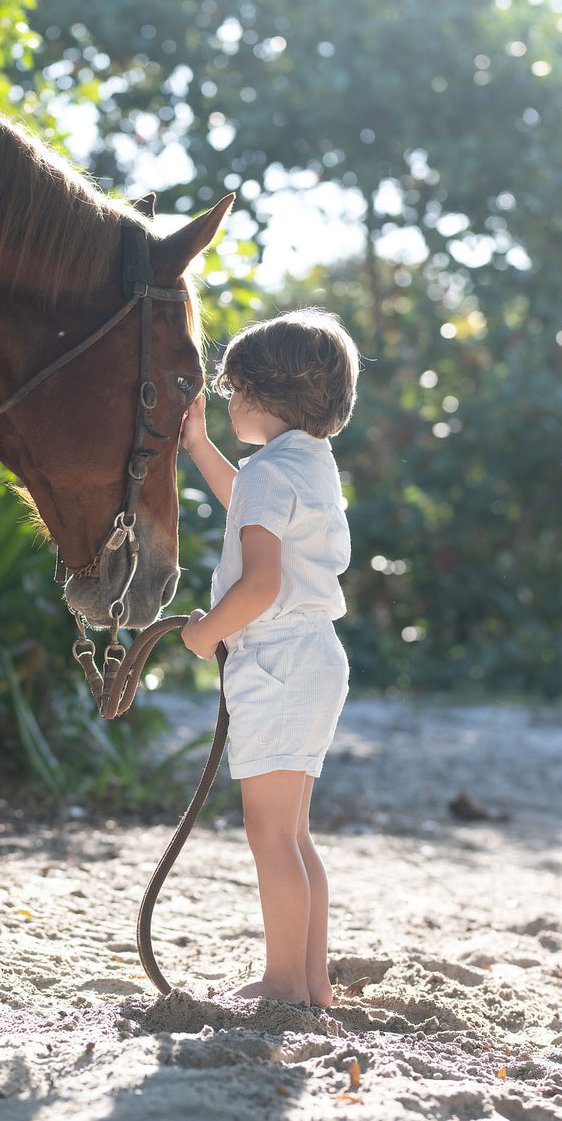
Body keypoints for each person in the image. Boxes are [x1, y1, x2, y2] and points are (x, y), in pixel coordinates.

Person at [179, 308, 360, 1006]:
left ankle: (285, 981)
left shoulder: (265, 472)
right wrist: (197, 447)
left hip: (276, 660)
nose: (226, 404)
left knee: (270, 836)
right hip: (315, 657)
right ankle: (311, 983)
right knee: (292, 833)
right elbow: (250, 511)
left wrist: (203, 635)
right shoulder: (308, 464)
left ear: (259, 394)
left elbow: (260, 584)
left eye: (228, 392)